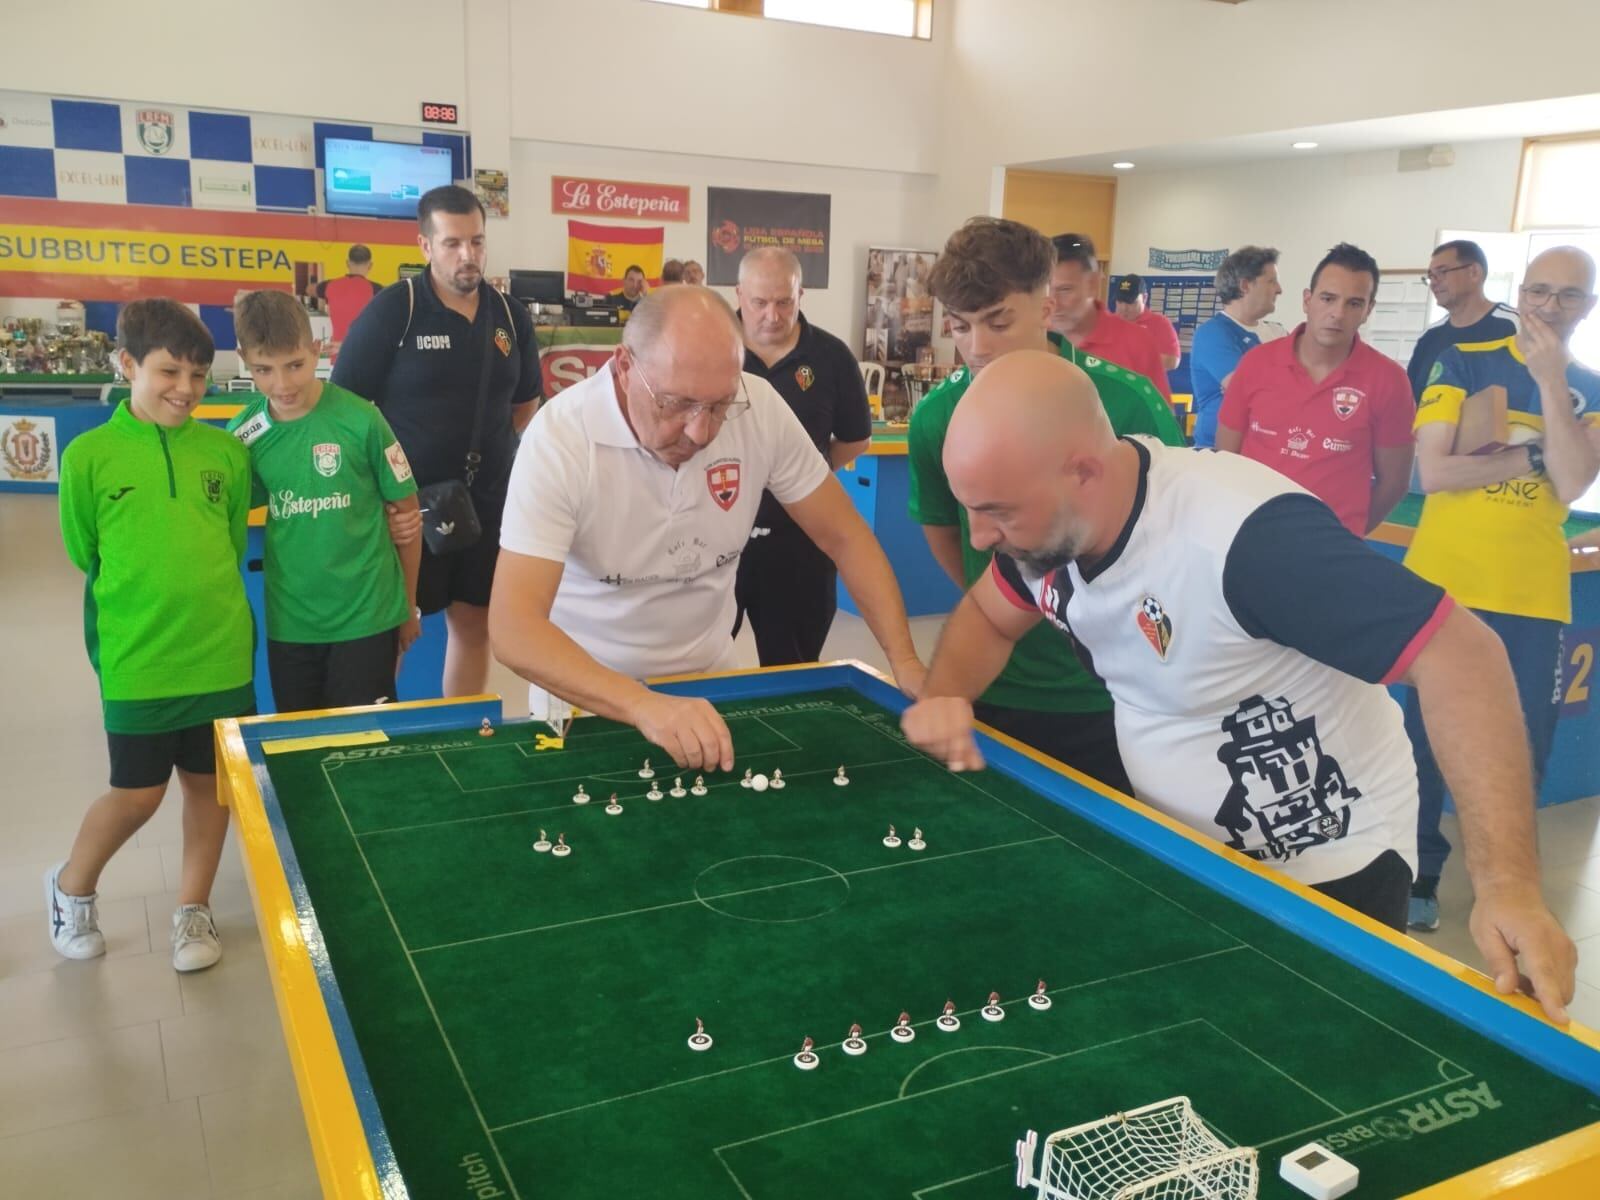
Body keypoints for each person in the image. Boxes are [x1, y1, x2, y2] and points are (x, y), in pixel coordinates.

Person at [899, 349, 1577, 1022]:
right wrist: (946, 696)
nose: (982, 537)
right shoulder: (1044, 533)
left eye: (998, 513)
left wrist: (1509, 885)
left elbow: (1463, 654)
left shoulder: (1246, 537)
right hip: (1182, 847)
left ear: (1082, 472)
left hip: (1328, 873)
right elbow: (989, 616)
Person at [489, 286, 925, 770]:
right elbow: (514, 628)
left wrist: (905, 662)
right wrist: (642, 704)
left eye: (719, 406)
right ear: (624, 365)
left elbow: (846, 537)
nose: (700, 432)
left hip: (713, 688)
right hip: (584, 698)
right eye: (676, 404)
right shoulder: (560, 438)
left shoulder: (759, 407)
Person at [908, 218, 1184, 792]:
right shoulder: (937, 417)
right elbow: (948, 533)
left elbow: (1172, 543)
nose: (978, 347)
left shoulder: (1127, 404)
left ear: (1045, 305)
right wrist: (1007, 603)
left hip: (1115, 688)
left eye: (998, 321)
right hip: (998, 680)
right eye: (960, 327)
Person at [49, 300, 254, 972]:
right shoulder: (89, 457)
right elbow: (86, 551)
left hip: (221, 656)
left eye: (199, 375)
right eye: (169, 371)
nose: (186, 390)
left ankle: (193, 912)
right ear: (127, 364)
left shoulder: (224, 451)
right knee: (137, 793)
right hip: (138, 659)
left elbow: (226, 544)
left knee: (209, 786)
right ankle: (70, 887)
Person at [1402, 245, 1600, 931]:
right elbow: (1435, 473)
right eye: (1540, 290)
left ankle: (1507, 893)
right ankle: (1417, 874)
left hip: (1532, 595)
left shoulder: (1591, 389)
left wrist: (1550, 383)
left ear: (1588, 307)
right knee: (1419, 740)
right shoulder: (1463, 359)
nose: (1549, 306)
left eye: (1568, 296)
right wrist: (1534, 454)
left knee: (1520, 753)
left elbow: (1574, 483)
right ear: (1521, 291)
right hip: (1441, 582)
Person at [332, 185, 541, 696]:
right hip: (408, 509)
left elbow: (525, 403)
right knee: (394, 634)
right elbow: (343, 409)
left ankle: (464, 736)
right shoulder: (394, 312)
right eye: (451, 243)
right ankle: (376, 745)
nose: (467, 255)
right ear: (425, 245)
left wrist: (485, 461)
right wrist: (385, 483)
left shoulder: (510, 316)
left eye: (476, 241)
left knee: (474, 626)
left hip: (487, 504)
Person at [227, 290, 423, 712]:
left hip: (368, 616)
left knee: (364, 747)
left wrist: (408, 607)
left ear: (317, 348)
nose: (283, 384)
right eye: (264, 369)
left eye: (295, 365)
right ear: (244, 360)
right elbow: (226, 510)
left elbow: (407, 516)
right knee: (302, 749)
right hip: (291, 624)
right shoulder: (244, 435)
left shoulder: (363, 419)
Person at [732, 247, 872, 664]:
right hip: (716, 536)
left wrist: (803, 478)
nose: (772, 315)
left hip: (800, 542)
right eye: (759, 303)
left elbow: (855, 438)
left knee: (792, 666)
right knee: (691, 666)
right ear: (738, 295)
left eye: (784, 302)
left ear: (800, 295)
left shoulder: (831, 358)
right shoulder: (708, 350)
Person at [1216, 243, 1415, 535]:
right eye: (1328, 298)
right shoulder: (1256, 364)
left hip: (1331, 554)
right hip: (1251, 537)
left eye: (1354, 303)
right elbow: (1226, 456)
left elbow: (1394, 482)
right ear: (1307, 301)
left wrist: (1344, 536)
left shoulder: (1389, 380)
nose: (1337, 313)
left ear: (1368, 310)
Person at [1048, 233, 1172, 400]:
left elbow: (1159, 420)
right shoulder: (1032, 338)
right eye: (1046, 290)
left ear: (1093, 284)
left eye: (1065, 290)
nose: (1053, 302)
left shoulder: (1137, 343)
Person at [1189, 246, 1286, 448]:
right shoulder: (1212, 333)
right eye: (1271, 281)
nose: (1279, 289)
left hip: (1268, 451)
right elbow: (1249, 392)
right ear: (1245, 285)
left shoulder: (1278, 332)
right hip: (1220, 456)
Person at [1407, 239, 1520, 401]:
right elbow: (1411, 398)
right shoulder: (1429, 336)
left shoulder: (1513, 325)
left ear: (1474, 272)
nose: (1434, 283)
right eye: (1431, 276)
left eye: (1442, 272)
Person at [314, 243, 382, 350]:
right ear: (370, 265)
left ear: (347, 263)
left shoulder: (327, 286)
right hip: (363, 352)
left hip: (336, 354)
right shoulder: (377, 290)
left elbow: (312, 289)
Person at [1112, 274, 1181, 370]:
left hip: (1144, 383)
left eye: (1130, 302)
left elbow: (1172, 361)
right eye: (1119, 301)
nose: (1124, 308)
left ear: (1144, 298)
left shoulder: (1160, 323)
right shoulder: (1109, 323)